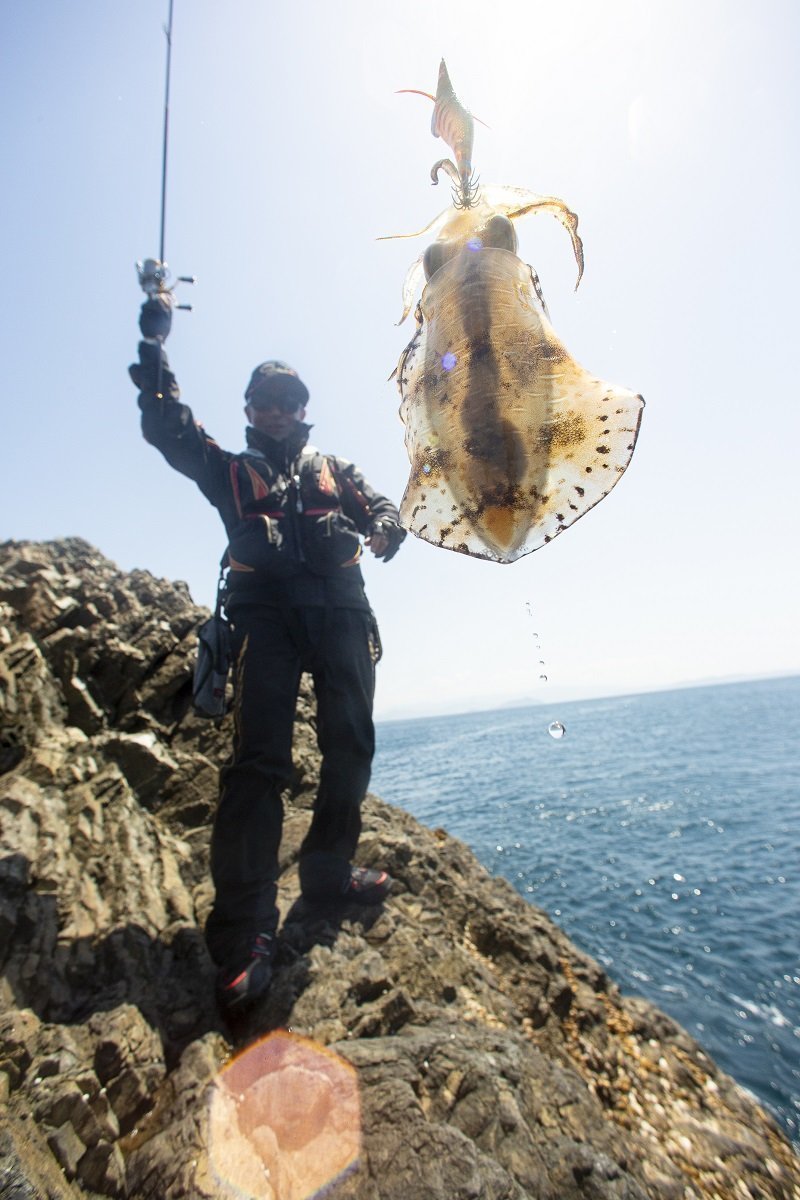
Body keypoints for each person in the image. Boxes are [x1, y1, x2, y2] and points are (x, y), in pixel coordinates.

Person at [129, 298, 405, 1013]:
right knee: (259, 764)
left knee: (351, 742)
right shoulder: (227, 469)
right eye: (264, 403)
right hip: (264, 620)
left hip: (342, 610)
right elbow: (169, 429)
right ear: (249, 411)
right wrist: (155, 352)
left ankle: (327, 871)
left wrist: (384, 526)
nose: (276, 412)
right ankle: (246, 928)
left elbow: (383, 506)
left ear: (303, 409)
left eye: (288, 401)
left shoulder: (334, 467)